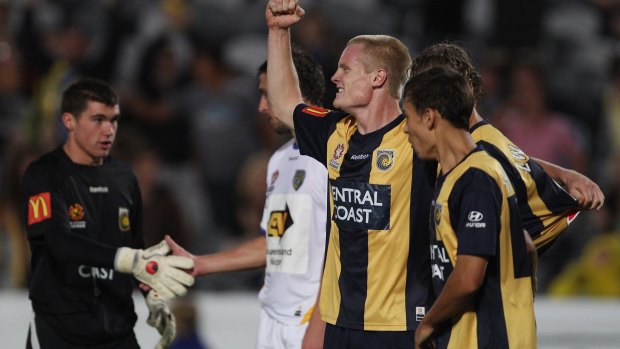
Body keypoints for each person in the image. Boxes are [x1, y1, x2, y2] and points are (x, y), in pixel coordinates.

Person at [266, 2, 437, 347]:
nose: (334, 77)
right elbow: (285, 105)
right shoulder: (335, 132)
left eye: (346, 69)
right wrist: (278, 31)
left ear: (378, 77)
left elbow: (484, 154)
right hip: (339, 322)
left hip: (398, 326)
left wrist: (559, 174)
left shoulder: (418, 138)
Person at [166, 48, 328, 349]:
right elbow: (279, 243)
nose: (261, 106)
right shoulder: (279, 160)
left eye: (268, 94)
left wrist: (319, 326)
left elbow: (344, 252)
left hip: (308, 323)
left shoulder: (334, 156)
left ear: (291, 90)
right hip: (273, 317)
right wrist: (201, 263)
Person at [22, 78, 194, 349]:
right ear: (69, 121)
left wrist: (153, 296)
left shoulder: (124, 177)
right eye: (98, 120)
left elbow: (137, 247)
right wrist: (129, 259)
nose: (108, 131)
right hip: (59, 331)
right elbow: (58, 242)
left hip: (116, 330)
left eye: (113, 120)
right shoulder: (44, 174)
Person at [409, 42, 605, 254]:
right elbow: (507, 160)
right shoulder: (472, 144)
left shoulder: (478, 160)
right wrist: (565, 174)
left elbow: (472, 269)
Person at [404, 66, 536, 349]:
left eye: (407, 117)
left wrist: (428, 322)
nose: (405, 128)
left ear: (429, 117)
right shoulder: (462, 173)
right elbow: (525, 246)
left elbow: (468, 277)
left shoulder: (475, 179)